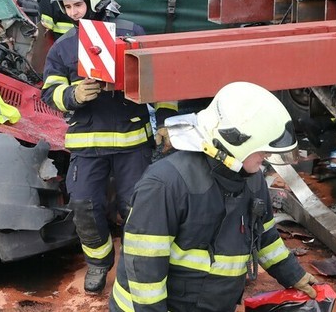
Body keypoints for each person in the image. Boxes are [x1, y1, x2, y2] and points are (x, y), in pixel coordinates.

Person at [109, 81, 318, 312]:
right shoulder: (166, 184)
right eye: (262, 149)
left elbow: (265, 236)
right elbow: (145, 269)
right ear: (236, 141)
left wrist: (293, 275)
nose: (267, 155)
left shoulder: (251, 178)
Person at [40, 0, 152, 294]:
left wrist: (166, 123)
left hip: (132, 142)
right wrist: (72, 94)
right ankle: (99, 262)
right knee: (84, 205)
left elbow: (160, 80)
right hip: (87, 147)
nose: (74, 12)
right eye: (68, 6)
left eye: (79, 4)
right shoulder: (62, 47)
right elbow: (50, 92)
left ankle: (135, 268)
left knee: (136, 207)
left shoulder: (132, 33)